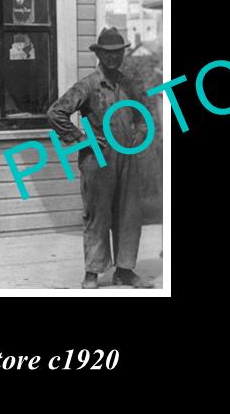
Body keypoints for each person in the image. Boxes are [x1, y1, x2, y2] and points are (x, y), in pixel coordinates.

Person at [46, 27, 152, 289]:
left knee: (128, 214)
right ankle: (92, 272)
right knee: (98, 215)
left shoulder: (128, 84)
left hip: (127, 158)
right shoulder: (89, 85)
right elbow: (56, 112)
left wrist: (140, 131)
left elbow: (143, 114)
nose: (114, 57)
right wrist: (82, 140)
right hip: (98, 159)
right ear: (99, 54)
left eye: (118, 53)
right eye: (108, 53)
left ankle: (125, 270)